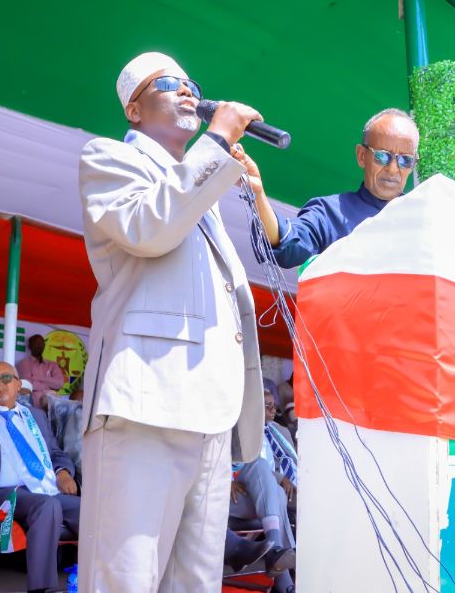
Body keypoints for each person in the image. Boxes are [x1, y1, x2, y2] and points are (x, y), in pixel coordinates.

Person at [77, 51, 267, 591]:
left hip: (211, 418)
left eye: (192, 85)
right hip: (146, 407)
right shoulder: (109, 158)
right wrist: (217, 141)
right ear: (134, 109)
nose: (187, 92)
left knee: (195, 583)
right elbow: (148, 229)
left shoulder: (200, 187)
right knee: (125, 579)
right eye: (168, 83)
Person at [0, 362, 79, 593]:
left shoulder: (35, 416)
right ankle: (42, 589)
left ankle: (107, 581)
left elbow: (55, 453)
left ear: (19, 385)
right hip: (5, 493)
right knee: (47, 506)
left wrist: (63, 472)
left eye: (6, 378)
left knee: (92, 510)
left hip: (46, 488)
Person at [248, 108, 420, 269]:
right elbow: (287, 242)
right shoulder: (330, 213)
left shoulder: (423, 217)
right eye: (382, 156)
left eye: (405, 160)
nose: (393, 169)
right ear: (362, 156)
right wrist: (257, 193)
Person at [229, 391, 298, 592]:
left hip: (260, 494)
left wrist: (281, 479)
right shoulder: (228, 429)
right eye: (266, 405)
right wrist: (223, 479)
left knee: (263, 470)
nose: (272, 409)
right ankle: (283, 572)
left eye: (273, 405)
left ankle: (276, 552)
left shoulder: (275, 431)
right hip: (224, 496)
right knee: (276, 493)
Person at [16, 334, 67, 406]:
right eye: (37, 343)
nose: (40, 346)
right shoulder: (24, 363)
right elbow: (28, 385)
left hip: (53, 405)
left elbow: (59, 383)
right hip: (34, 405)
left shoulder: (52, 364)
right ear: (30, 346)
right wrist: (50, 386)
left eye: (42, 343)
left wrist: (36, 378)